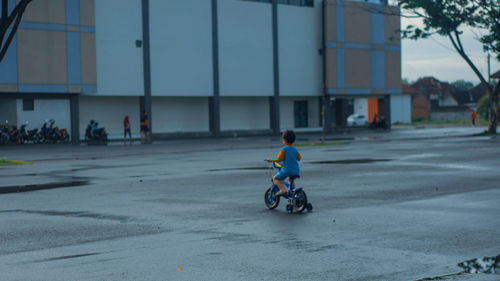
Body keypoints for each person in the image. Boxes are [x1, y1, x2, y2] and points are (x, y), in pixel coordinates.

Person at [267, 130, 302, 197]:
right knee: (290, 180)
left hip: (287, 170)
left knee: (275, 178)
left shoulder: (284, 149)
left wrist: (271, 160)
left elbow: (279, 159)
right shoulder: (295, 149)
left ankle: (283, 190)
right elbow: (299, 158)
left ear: (284, 140)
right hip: (296, 170)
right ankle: (293, 193)